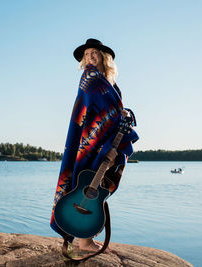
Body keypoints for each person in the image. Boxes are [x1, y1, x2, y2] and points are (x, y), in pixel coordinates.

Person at [50, 38, 138, 252]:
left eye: (94, 53)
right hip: (89, 141)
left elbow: (110, 109)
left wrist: (121, 115)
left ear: (103, 56)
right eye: (87, 54)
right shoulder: (90, 77)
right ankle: (84, 241)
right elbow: (96, 109)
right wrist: (119, 115)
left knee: (95, 186)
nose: (90, 57)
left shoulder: (111, 83)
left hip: (105, 139)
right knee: (86, 183)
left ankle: (84, 239)